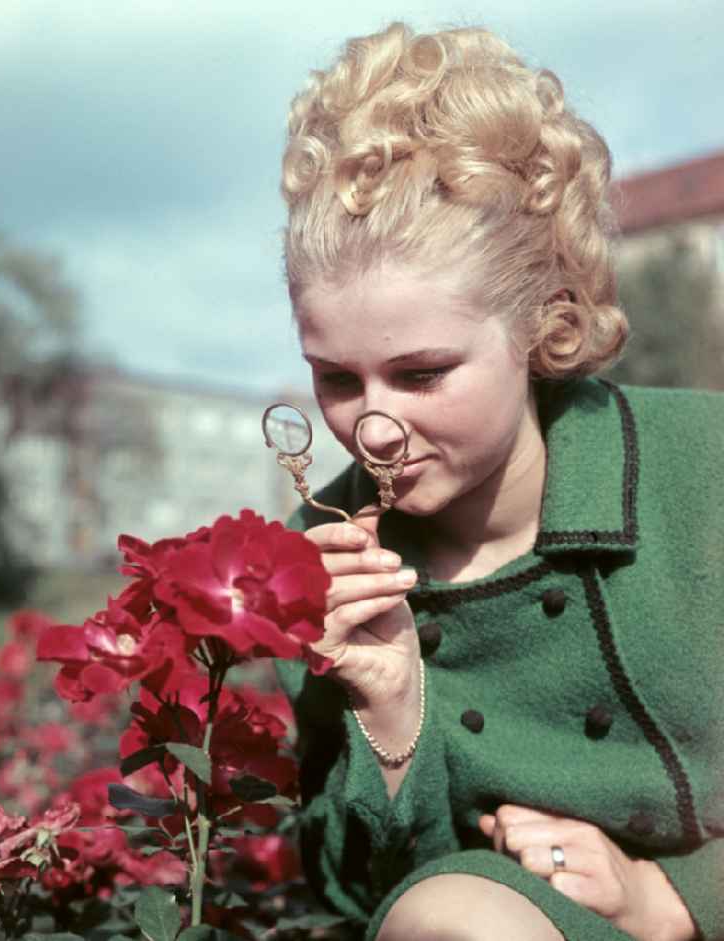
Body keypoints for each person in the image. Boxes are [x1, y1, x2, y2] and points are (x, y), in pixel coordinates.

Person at [271, 21, 723, 941]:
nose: (373, 427)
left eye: (423, 372)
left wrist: (670, 898)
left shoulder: (700, 468)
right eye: (336, 378)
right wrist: (390, 717)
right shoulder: (330, 564)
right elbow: (357, 897)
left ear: (541, 322)